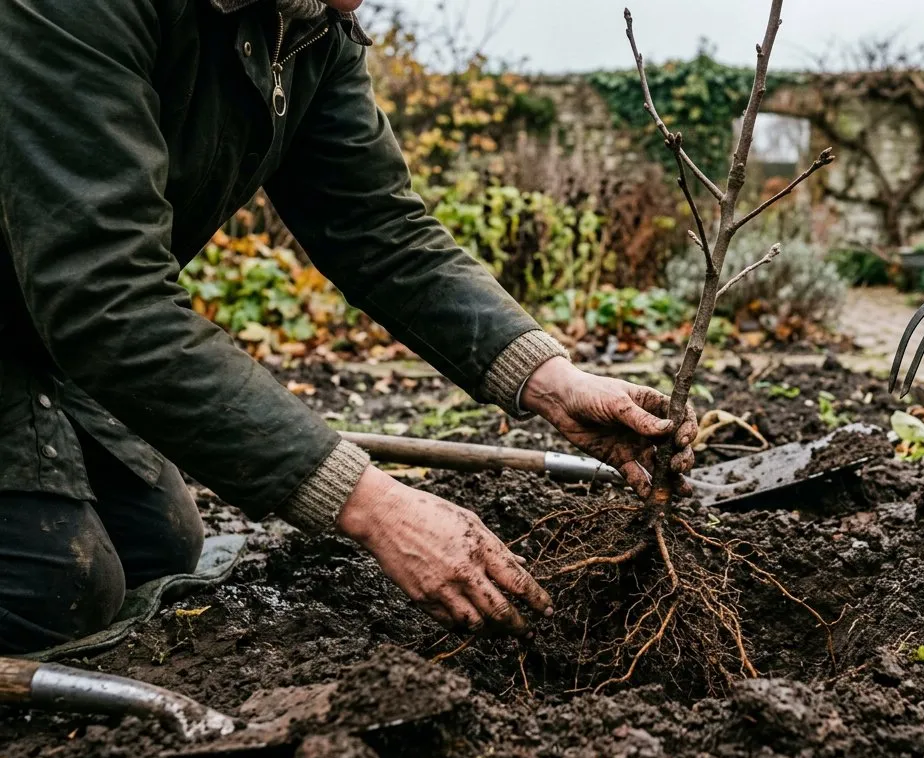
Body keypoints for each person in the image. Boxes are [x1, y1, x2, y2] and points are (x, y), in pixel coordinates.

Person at [0, 0, 695, 654]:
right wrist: (372, 504)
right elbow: (105, 292)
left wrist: (550, 380)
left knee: (158, 547)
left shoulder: (306, 27)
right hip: (61, 307)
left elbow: (376, 227)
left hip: (38, 323)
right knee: (54, 588)